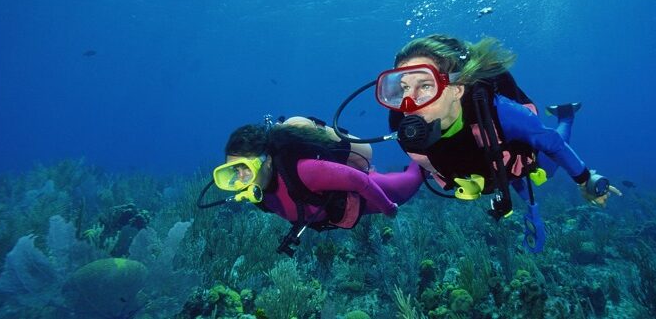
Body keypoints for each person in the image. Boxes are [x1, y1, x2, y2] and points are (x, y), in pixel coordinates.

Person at [375, 34, 621, 213]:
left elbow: (553, 143)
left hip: (513, 158)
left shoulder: (501, 112)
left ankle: (566, 115)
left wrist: (586, 180)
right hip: (483, 171)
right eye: (404, 88)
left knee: (546, 170)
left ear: (457, 89)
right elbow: (430, 166)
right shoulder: (402, 129)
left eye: (425, 86)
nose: (409, 102)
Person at [213, 116, 424, 255]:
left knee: (409, 185)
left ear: (267, 161)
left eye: (245, 168)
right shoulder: (257, 190)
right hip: (338, 204)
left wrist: (388, 208)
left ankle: (427, 157)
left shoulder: (305, 171)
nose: (240, 179)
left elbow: (360, 181)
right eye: (233, 171)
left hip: (363, 196)